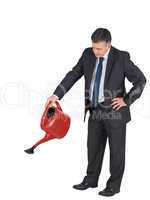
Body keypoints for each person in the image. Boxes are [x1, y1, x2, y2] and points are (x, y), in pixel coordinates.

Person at [45, 28, 147, 196]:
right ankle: (91, 180)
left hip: (115, 113)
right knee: (93, 148)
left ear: (108, 45)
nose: (95, 51)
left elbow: (141, 80)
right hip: (94, 110)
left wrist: (126, 100)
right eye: (93, 47)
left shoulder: (121, 58)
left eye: (99, 48)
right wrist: (56, 95)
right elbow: (73, 74)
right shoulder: (87, 54)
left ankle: (114, 186)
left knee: (116, 152)